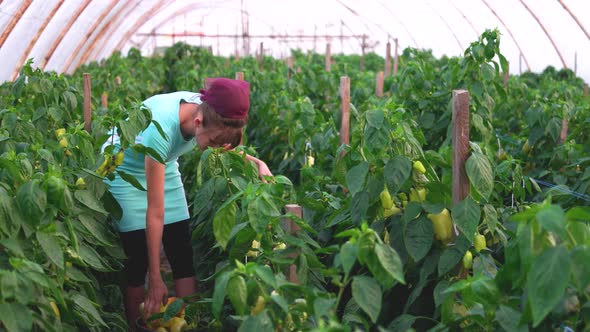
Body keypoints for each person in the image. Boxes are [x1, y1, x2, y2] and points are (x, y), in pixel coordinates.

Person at [102, 78, 272, 330]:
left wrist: (257, 163)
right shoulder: (159, 127)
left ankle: (188, 322)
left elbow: (223, 144)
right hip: (124, 171)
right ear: (197, 124)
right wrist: (156, 278)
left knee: (180, 245)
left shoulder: (209, 112)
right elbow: (156, 212)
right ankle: (136, 325)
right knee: (137, 256)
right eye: (214, 142)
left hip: (164, 164)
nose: (217, 149)